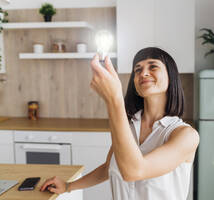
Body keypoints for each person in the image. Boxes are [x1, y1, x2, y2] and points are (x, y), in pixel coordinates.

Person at [40, 47, 199, 200]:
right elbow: (108, 168)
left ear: (171, 77)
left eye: (153, 66)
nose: (143, 73)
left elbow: (134, 171)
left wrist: (114, 100)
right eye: (137, 69)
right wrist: (68, 186)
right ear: (135, 85)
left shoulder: (186, 136)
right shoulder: (128, 127)